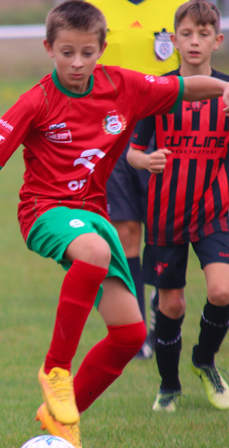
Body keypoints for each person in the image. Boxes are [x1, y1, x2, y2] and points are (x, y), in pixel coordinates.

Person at [0, 0, 229, 448]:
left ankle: (62, 418)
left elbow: (184, 87)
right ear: (49, 49)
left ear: (101, 49)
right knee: (95, 250)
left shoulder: (125, 85)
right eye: (67, 53)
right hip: (44, 212)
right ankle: (55, 369)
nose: (77, 63)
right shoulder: (37, 100)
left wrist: (222, 88)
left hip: (92, 215)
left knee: (128, 332)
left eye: (87, 53)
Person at [127, 0, 229, 412]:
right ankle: (169, 385)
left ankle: (204, 361)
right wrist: (145, 160)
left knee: (222, 291)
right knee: (172, 304)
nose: (194, 42)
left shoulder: (227, 91)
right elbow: (132, 151)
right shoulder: (158, 90)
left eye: (203, 34)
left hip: (215, 210)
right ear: (172, 39)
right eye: (186, 34)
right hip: (166, 214)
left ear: (217, 41)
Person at [90, 0, 186, 360]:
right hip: (111, 133)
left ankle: (161, 296)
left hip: (164, 135)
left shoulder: (176, 5)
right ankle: (136, 330)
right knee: (125, 229)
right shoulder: (94, 6)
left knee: (163, 226)